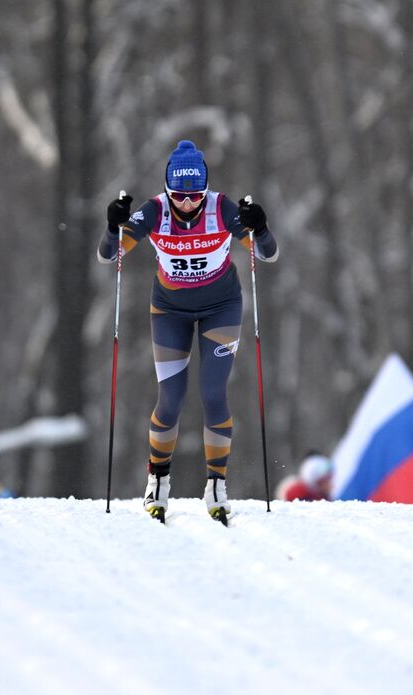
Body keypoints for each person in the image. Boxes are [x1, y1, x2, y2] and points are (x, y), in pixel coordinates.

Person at [98, 140, 278, 523]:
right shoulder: (155, 211)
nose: (186, 204)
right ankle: (158, 480)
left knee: (213, 392)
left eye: (194, 195)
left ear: (204, 190)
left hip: (221, 307)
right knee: (171, 399)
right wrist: (113, 225)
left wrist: (259, 226)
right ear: (168, 191)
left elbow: (268, 253)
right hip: (170, 311)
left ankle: (216, 484)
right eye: (179, 196)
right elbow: (109, 254)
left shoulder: (221, 209)